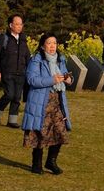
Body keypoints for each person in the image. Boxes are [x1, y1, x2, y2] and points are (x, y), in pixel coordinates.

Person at [22, 33, 72, 175]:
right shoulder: (36, 59)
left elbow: (64, 74)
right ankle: (36, 164)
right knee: (40, 133)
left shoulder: (60, 59)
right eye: (49, 43)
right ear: (43, 45)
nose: (52, 46)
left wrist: (68, 79)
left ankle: (51, 161)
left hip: (57, 101)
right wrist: (51, 80)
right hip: (41, 101)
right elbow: (32, 79)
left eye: (54, 43)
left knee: (60, 132)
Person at [0, 14, 30, 128]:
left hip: (21, 73)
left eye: (21, 24)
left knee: (17, 97)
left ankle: (12, 121)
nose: (19, 26)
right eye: (17, 24)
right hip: (7, 72)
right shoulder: (3, 38)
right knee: (9, 95)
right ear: (11, 25)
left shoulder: (23, 40)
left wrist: (29, 71)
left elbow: (27, 56)